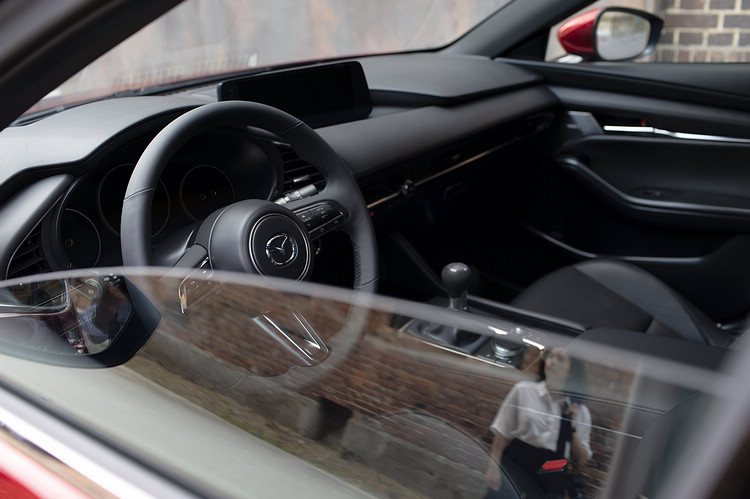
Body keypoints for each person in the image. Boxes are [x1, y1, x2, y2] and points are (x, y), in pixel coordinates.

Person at [485, 347, 592, 498]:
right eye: (551, 357)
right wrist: (493, 468)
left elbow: (581, 458)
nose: (552, 362)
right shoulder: (523, 390)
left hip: (553, 468)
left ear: (572, 372)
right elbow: (502, 432)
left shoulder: (579, 411)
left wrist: (571, 426)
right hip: (519, 458)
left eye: (560, 359)